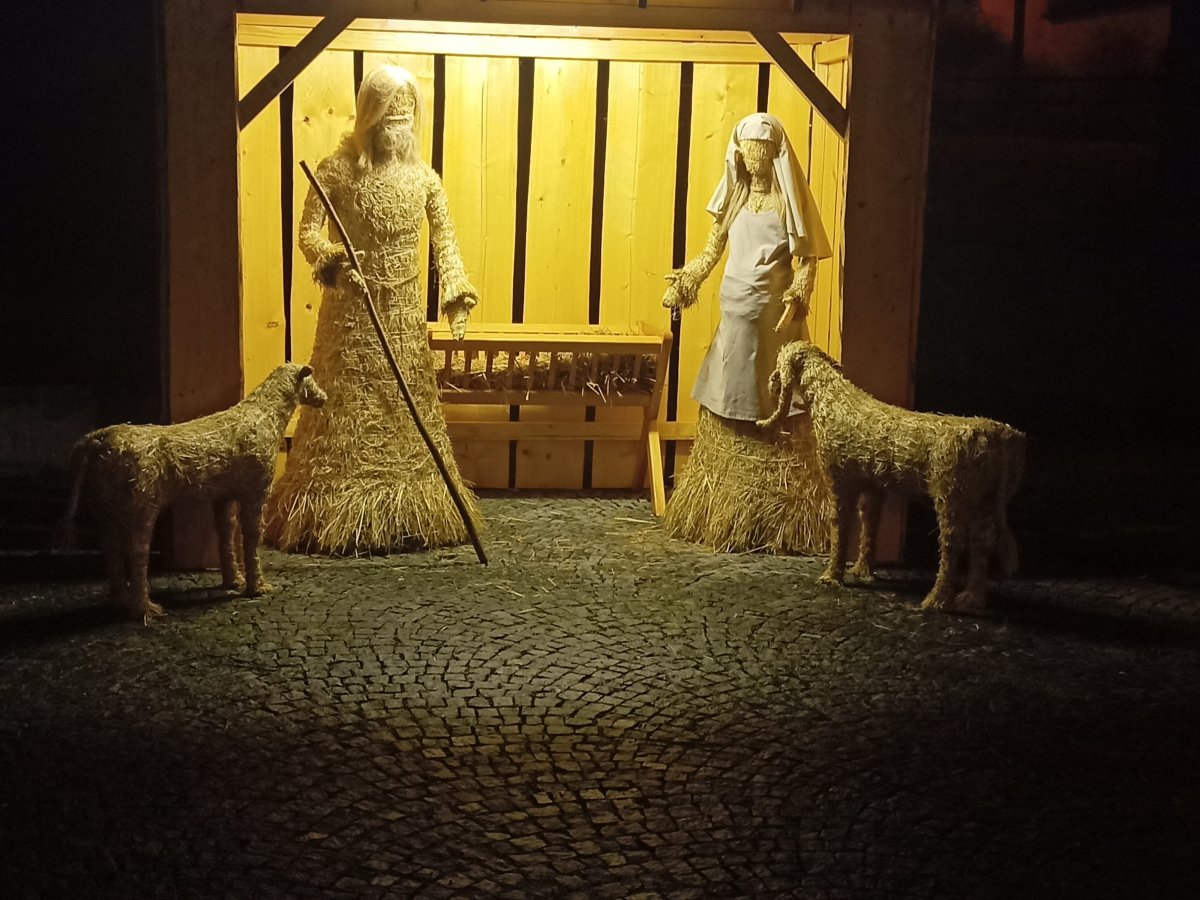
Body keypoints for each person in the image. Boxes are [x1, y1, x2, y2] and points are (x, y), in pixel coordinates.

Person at [265, 64, 480, 553]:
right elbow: (308, 234)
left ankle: (412, 510)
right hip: (350, 316)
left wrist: (456, 292)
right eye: (387, 120)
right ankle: (335, 515)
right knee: (346, 407)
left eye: (403, 120)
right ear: (369, 116)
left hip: (403, 317)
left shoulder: (423, 180)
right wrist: (334, 261)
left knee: (406, 405)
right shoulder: (336, 172)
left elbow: (446, 241)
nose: (395, 130)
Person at [661, 112, 833, 553]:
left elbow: (806, 258)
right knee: (729, 392)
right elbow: (711, 251)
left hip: (774, 321)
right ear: (739, 154)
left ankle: (782, 518)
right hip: (734, 315)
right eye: (749, 154)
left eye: (762, 154)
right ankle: (720, 507)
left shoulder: (787, 204)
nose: (755, 162)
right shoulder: (734, 200)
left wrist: (798, 294)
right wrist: (687, 281)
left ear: (775, 155)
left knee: (776, 397)